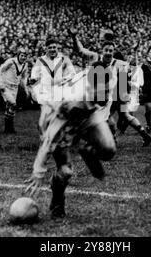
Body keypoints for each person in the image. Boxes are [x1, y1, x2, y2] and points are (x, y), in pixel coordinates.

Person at [25, 61, 116, 218]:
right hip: (56, 116)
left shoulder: (103, 77)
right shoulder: (71, 101)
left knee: (108, 150)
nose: (107, 94)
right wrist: (38, 171)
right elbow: (50, 139)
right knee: (65, 171)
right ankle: (57, 201)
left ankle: (87, 152)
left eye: (108, 89)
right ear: (91, 86)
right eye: (103, 90)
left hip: (86, 113)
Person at [70, 29, 151, 146]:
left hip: (113, 94)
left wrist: (124, 95)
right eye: (106, 50)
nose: (108, 53)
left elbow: (129, 73)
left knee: (115, 116)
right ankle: (142, 135)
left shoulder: (120, 64)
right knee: (117, 117)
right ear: (102, 50)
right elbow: (80, 50)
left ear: (113, 52)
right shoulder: (95, 58)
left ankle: (113, 139)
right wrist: (74, 37)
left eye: (111, 51)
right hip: (100, 94)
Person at [30, 38, 76, 140]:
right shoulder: (40, 60)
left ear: (57, 48)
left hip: (60, 92)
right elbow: (34, 76)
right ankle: (44, 138)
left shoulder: (64, 59)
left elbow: (72, 73)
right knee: (44, 118)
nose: (52, 49)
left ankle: (59, 139)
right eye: (50, 47)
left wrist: (65, 80)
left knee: (59, 117)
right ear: (46, 49)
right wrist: (35, 86)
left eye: (54, 47)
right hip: (45, 93)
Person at [0, 47, 29, 133]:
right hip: (6, 86)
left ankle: (8, 128)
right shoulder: (11, 61)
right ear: (18, 55)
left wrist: (25, 88)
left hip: (15, 88)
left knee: (10, 107)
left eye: (25, 56)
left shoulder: (25, 65)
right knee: (13, 104)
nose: (23, 58)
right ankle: (9, 127)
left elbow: (24, 77)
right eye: (22, 55)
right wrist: (1, 84)